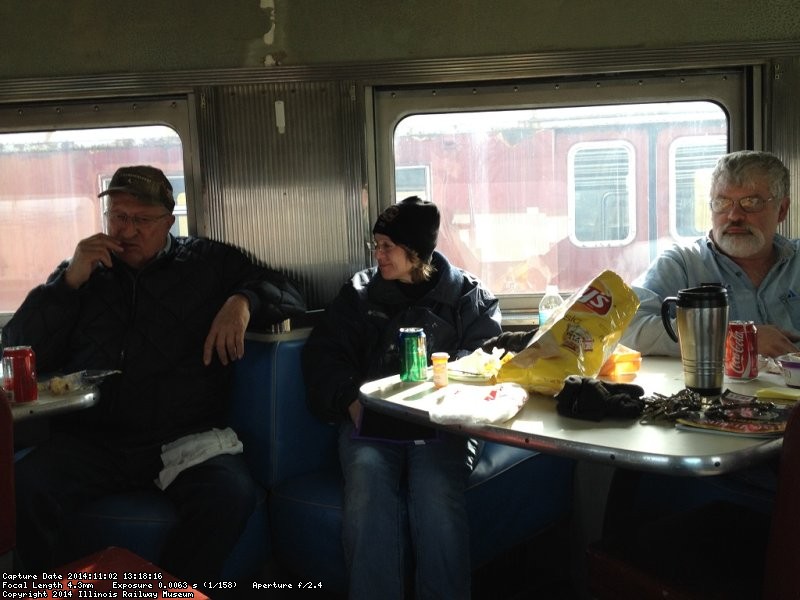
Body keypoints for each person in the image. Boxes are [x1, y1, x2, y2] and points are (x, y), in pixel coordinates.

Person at [2, 165, 306, 584]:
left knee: (229, 496)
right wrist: (67, 283)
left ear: (167, 222)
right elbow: (18, 344)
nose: (126, 231)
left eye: (140, 220)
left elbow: (289, 291)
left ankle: (172, 592)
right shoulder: (82, 273)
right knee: (23, 485)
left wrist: (242, 300)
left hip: (183, 436)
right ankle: (61, 589)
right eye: (117, 218)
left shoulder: (208, 261)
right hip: (94, 441)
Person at [302, 196, 502, 600]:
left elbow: (488, 358)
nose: (378, 254)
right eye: (375, 245)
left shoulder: (465, 295)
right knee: (368, 481)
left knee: (434, 490)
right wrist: (349, 400)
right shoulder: (358, 295)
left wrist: (451, 395)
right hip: (371, 419)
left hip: (444, 424)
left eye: (387, 246)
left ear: (415, 252)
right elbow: (325, 356)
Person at [621, 150, 800, 358]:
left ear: (782, 210)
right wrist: (733, 339)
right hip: (715, 390)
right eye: (722, 203)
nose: (734, 216)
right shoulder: (683, 264)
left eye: (751, 202)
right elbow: (628, 326)